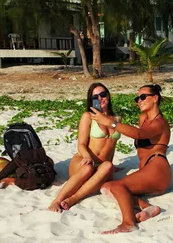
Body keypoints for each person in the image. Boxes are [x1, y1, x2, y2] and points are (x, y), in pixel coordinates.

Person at [90, 84, 171, 234]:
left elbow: (140, 135)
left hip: (157, 168)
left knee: (117, 187)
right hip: (146, 170)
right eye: (137, 98)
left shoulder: (160, 122)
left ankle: (128, 223)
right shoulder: (143, 118)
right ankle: (147, 207)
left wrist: (111, 123)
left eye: (142, 97)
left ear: (155, 98)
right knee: (107, 187)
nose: (139, 101)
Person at [47, 83, 121, 212]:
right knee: (87, 168)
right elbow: (81, 144)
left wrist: (113, 165)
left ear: (108, 96)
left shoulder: (117, 119)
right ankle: (58, 200)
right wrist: (87, 156)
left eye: (103, 95)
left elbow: (112, 145)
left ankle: (73, 198)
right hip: (83, 161)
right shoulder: (88, 116)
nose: (100, 98)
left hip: (101, 167)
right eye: (95, 97)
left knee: (108, 165)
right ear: (91, 100)